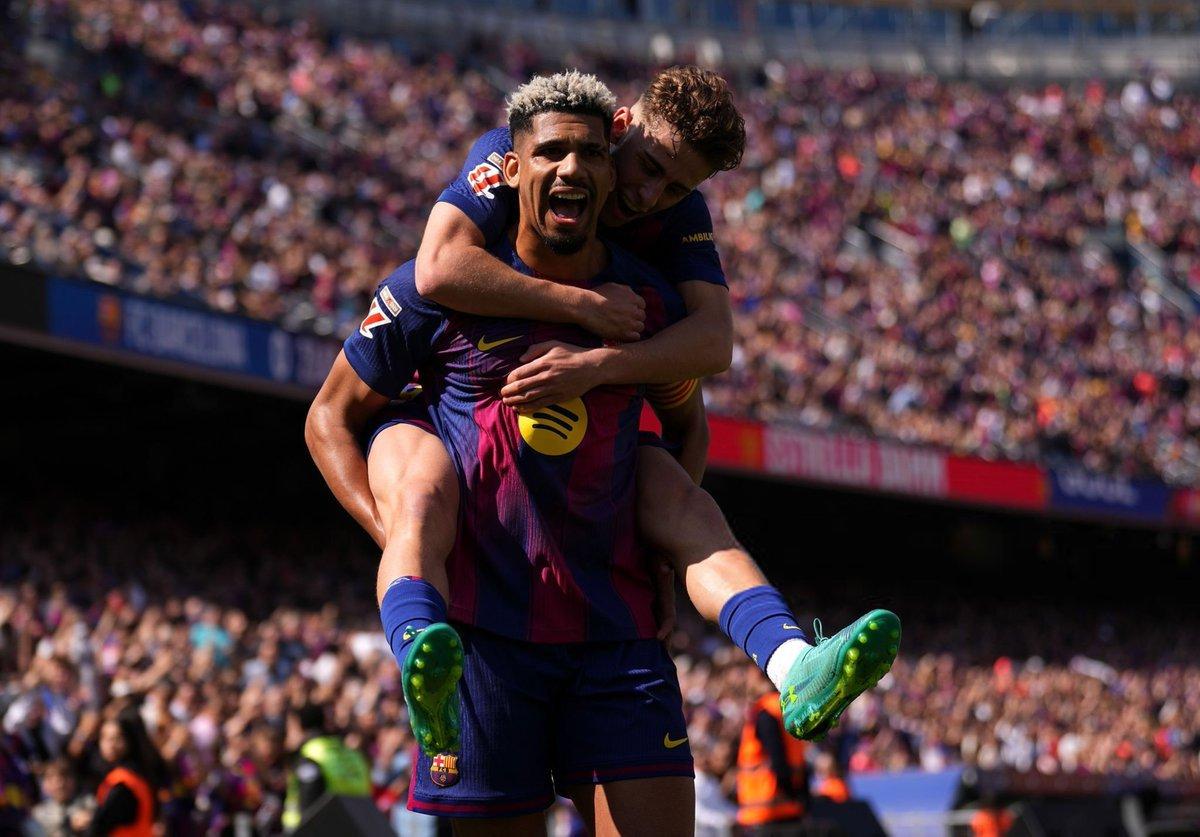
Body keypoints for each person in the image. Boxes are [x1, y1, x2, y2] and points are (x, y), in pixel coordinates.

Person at [312, 70, 899, 833]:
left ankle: (793, 662)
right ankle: (418, 634)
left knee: (671, 488)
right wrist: (401, 537)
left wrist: (600, 366)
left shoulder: (650, 300)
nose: (645, 194)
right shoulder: (456, 267)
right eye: (643, 166)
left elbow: (703, 379)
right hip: (485, 626)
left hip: (612, 629)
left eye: (670, 184)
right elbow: (385, 338)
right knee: (418, 481)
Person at [281, 704, 371, 832]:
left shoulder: (311, 755)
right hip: (356, 827)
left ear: (300, 727)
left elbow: (310, 803)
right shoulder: (353, 755)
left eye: (290, 728)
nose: (287, 736)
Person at [736, 680, 808, 833]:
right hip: (790, 806)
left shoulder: (765, 712)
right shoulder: (789, 707)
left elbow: (777, 759)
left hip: (767, 811)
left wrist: (788, 791)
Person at [88, 707, 166, 837]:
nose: (110, 745)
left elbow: (99, 826)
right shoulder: (138, 773)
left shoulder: (122, 782)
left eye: (116, 738)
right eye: (104, 737)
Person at [32, 759, 94, 836]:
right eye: (51, 779)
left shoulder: (88, 802)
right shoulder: (39, 815)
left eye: (64, 777)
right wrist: (70, 827)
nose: (60, 784)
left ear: (73, 780)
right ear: (44, 785)